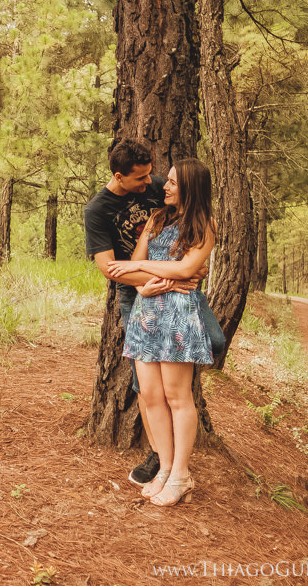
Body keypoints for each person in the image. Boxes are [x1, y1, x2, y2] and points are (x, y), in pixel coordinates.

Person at [84, 140, 204, 486]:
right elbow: (111, 268)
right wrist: (154, 281)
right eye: (141, 178)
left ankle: (177, 464)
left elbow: (192, 245)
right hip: (136, 293)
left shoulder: (159, 187)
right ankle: (159, 455)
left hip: (179, 292)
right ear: (119, 176)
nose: (151, 182)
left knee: (189, 365)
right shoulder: (98, 210)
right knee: (145, 384)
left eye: (153, 175)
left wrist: (192, 270)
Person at [107, 158, 216, 506]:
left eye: (172, 182)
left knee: (177, 396)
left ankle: (182, 475)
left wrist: (142, 266)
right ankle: (165, 469)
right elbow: (132, 270)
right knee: (152, 395)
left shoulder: (204, 225)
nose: (164, 187)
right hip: (147, 313)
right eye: (166, 181)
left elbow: (186, 268)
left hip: (178, 315)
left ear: (190, 188)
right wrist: (143, 285)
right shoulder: (156, 219)